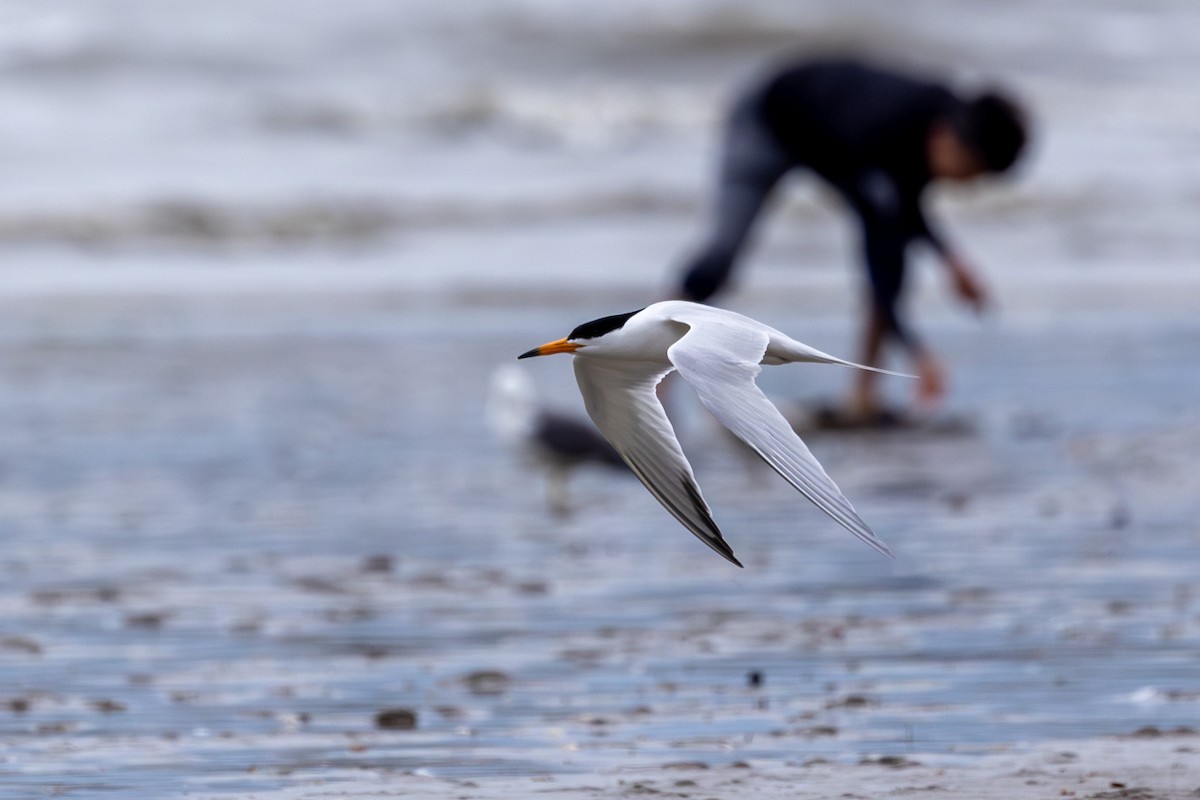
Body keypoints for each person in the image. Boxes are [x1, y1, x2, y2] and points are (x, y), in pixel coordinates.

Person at [675, 56, 1029, 422]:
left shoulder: (941, 120)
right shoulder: (882, 132)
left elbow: (902, 205)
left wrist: (950, 260)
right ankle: (649, 381)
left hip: (832, 138)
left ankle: (863, 397)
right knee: (720, 258)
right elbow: (884, 238)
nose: (967, 185)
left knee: (890, 253)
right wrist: (918, 352)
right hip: (768, 121)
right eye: (970, 173)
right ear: (947, 139)